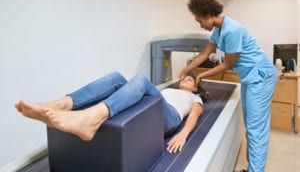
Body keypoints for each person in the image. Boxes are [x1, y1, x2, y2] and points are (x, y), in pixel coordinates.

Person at [180, 0, 277, 172]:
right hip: (250, 78)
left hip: (261, 77)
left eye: (200, 21)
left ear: (208, 14)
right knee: (251, 124)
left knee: (256, 129)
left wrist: (202, 76)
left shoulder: (231, 30)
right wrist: (186, 71)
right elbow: (204, 54)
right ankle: (252, 168)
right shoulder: (219, 29)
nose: (200, 25)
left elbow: (228, 64)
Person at [15, 72, 208, 154]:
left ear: (195, 88)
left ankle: (91, 119)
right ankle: (61, 105)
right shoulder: (168, 89)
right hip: (151, 107)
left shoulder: (194, 98)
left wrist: (183, 134)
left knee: (141, 79)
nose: (185, 80)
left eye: (190, 80)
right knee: (116, 77)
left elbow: (193, 116)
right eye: (184, 78)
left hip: (168, 117)